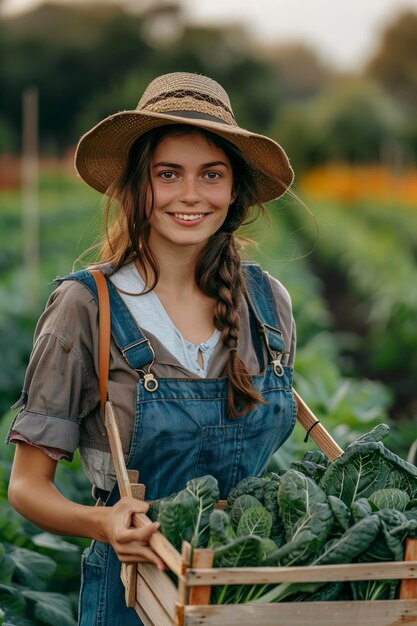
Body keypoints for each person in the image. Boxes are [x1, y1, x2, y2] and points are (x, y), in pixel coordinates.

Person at [7, 72, 296, 624]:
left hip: (250, 596)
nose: (191, 195)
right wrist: (104, 523)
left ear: (233, 189)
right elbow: (26, 487)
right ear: (138, 187)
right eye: (169, 174)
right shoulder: (87, 307)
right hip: (134, 593)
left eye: (211, 174)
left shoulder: (268, 304)